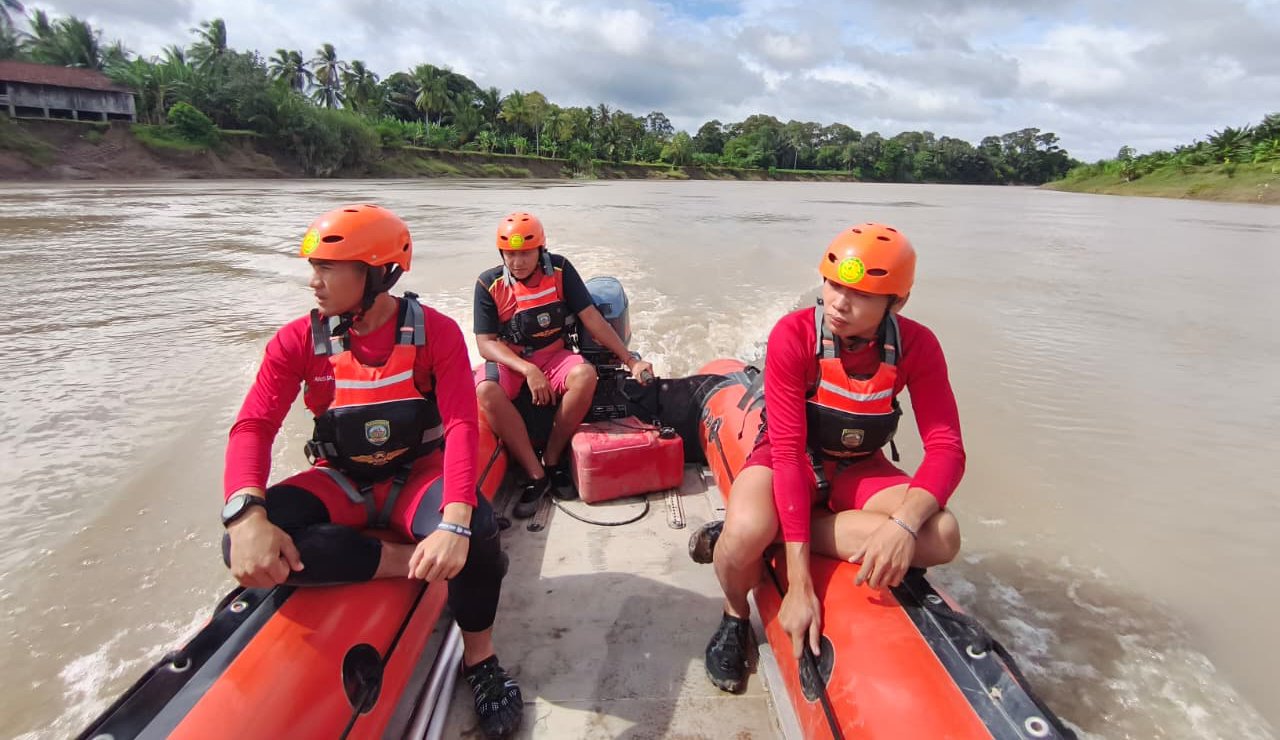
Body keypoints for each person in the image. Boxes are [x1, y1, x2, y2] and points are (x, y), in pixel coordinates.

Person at [220, 204, 522, 738]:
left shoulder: (437, 333)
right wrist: (244, 513)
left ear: (379, 271)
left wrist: (453, 524)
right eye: (314, 267)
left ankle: (481, 659)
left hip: (416, 477)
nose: (313, 282)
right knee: (241, 541)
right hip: (343, 482)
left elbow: (458, 426)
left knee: (476, 533)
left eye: (329, 268)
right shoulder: (296, 341)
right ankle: (405, 563)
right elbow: (253, 427)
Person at [691, 222, 965, 693]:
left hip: (858, 466)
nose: (839, 302)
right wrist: (800, 586)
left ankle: (771, 540)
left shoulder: (918, 345)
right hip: (784, 457)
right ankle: (735, 616)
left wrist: (902, 527)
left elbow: (947, 447)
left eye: (860, 293)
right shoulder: (793, 335)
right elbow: (791, 454)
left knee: (941, 534)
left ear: (894, 303)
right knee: (743, 533)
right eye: (834, 283)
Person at [473, 211, 653, 518]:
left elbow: (592, 319)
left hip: (554, 354)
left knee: (585, 375)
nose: (517, 262)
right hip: (513, 360)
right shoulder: (488, 284)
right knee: (486, 390)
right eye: (510, 254)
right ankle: (536, 475)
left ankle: (553, 461)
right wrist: (528, 370)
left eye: (525, 253)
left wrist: (630, 359)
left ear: (541, 249)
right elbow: (485, 343)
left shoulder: (560, 270)